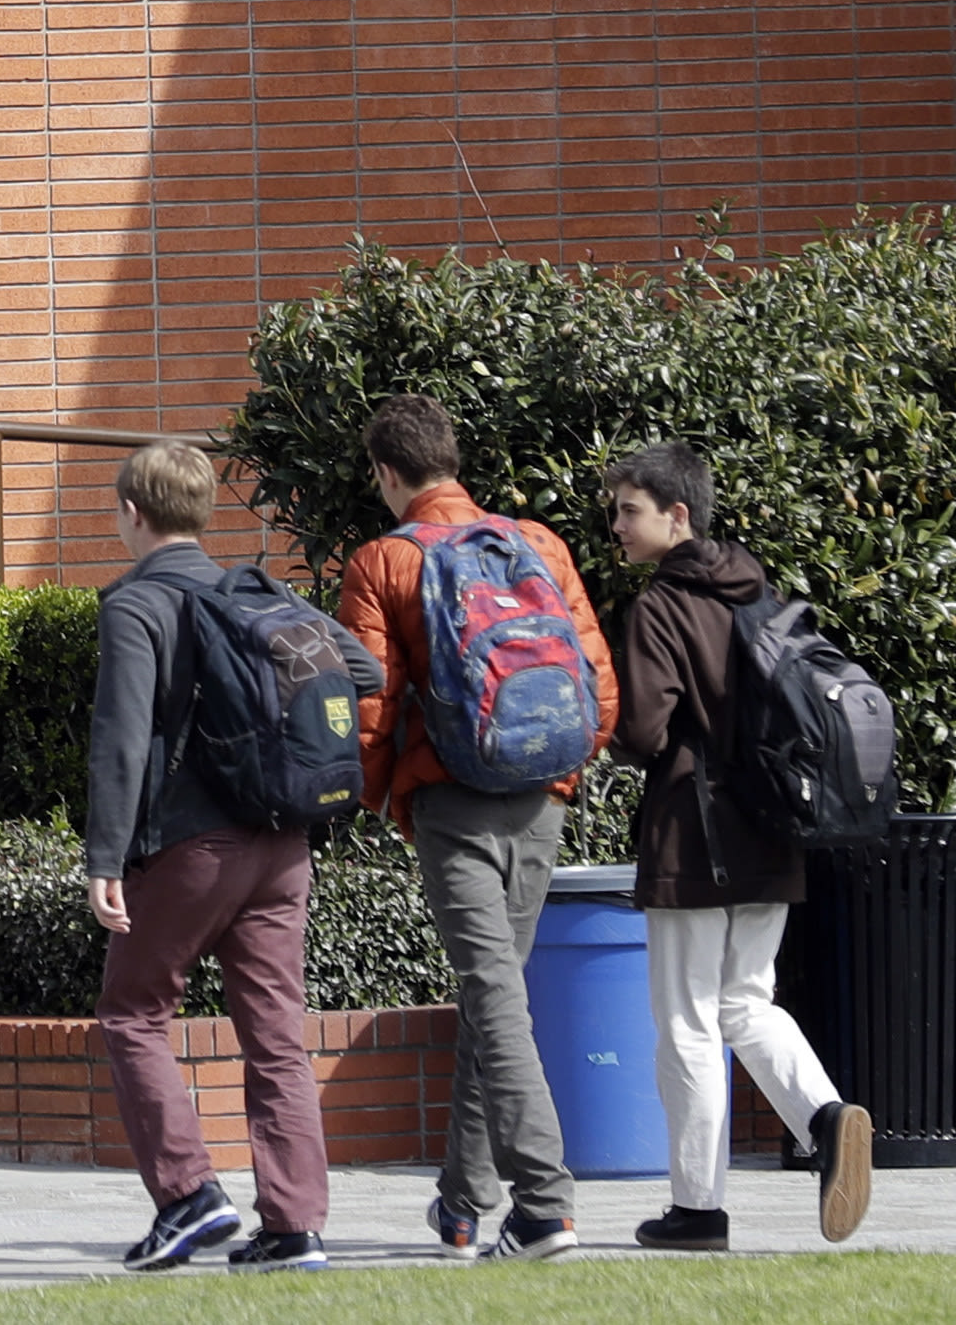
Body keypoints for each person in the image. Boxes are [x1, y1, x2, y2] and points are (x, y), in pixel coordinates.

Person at [334, 391, 620, 1261]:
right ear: (453, 456)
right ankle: (461, 1209)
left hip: (452, 800)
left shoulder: (383, 562)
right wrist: (565, 763)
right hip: (541, 797)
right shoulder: (536, 544)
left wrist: (388, 799)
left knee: (494, 997)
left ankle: (543, 1207)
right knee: (490, 995)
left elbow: (370, 707)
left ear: (389, 474)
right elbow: (595, 682)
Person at [86, 440, 380, 1273]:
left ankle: (187, 1197)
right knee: (276, 1036)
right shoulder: (255, 590)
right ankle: (294, 1227)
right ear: (203, 512)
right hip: (283, 841)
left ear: (133, 513)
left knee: (133, 1012)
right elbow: (360, 668)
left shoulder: (136, 606)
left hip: (190, 845)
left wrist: (105, 856)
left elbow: (122, 739)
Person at [604, 441, 874, 1254]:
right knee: (746, 1003)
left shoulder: (660, 606)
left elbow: (645, 731)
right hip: (775, 829)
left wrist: (607, 719)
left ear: (676, 515)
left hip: (694, 836)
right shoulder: (761, 592)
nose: (616, 525)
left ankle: (697, 1209)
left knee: (686, 1020)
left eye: (628, 509)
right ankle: (826, 1120)